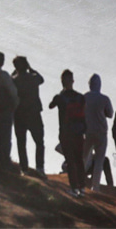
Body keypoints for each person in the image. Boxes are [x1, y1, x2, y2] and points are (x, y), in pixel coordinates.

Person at [49, 69, 87, 197]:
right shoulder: (81, 97)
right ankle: (82, 189)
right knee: (79, 160)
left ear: (62, 82)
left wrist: (59, 95)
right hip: (79, 132)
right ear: (73, 81)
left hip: (66, 133)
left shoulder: (60, 97)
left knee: (70, 161)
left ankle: (73, 188)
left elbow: (50, 106)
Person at [12, 55, 46, 178]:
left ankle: (24, 169)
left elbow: (11, 81)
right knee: (39, 142)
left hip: (19, 114)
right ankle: (40, 168)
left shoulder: (14, 80)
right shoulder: (33, 78)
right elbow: (42, 79)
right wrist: (31, 69)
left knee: (21, 143)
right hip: (34, 114)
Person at [83, 73, 113, 191]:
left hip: (88, 131)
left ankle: (80, 182)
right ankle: (95, 187)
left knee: (85, 158)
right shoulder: (104, 99)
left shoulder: (84, 97)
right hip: (101, 133)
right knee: (99, 160)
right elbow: (110, 114)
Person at [0, 52, 19, 169]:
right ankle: (5, 159)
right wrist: (14, 106)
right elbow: (13, 93)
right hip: (4, 110)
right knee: (5, 136)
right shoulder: (4, 76)